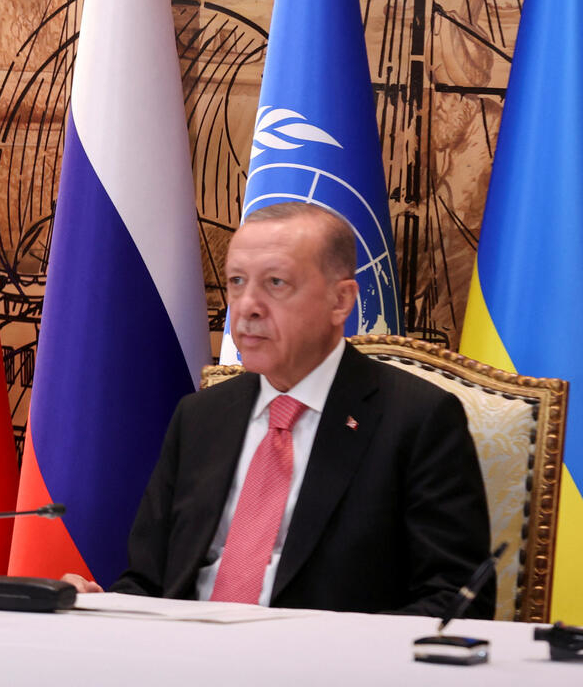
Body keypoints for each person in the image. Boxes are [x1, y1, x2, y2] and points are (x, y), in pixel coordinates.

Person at [66, 202, 493, 617]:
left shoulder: (418, 419)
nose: (247, 306)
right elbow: (147, 583)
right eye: (236, 281)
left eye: (276, 283)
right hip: (185, 650)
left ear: (340, 301)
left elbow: (458, 600)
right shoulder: (200, 416)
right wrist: (102, 605)